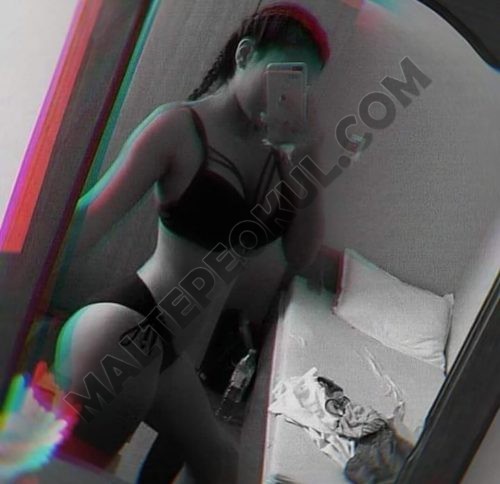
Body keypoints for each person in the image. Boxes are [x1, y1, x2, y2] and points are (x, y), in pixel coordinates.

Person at [53, 2, 330, 483]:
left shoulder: (280, 159)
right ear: (244, 55)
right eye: (285, 74)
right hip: (126, 329)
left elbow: (300, 255)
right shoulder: (179, 127)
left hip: (173, 354)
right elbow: (88, 220)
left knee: (220, 462)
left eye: (303, 85)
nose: (291, 93)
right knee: (80, 475)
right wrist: (17, 269)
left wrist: (306, 161)